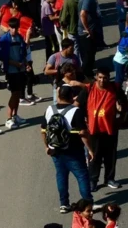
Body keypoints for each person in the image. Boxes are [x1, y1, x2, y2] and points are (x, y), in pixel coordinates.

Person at [42, 84, 93, 214]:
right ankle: (87, 203)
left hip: (55, 150)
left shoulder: (50, 109)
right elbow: (83, 133)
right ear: (71, 96)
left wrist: (46, 146)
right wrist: (90, 149)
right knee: (82, 176)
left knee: (61, 175)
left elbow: (43, 130)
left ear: (59, 95)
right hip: (73, 151)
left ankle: (64, 204)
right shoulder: (76, 111)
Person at [87, 67, 125, 191]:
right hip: (93, 130)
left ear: (109, 78)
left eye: (105, 78)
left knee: (111, 156)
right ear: (96, 78)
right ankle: (93, 180)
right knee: (94, 156)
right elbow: (79, 106)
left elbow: (124, 103)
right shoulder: (89, 89)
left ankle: (109, 178)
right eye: (100, 78)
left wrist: (121, 114)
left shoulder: (115, 88)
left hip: (110, 129)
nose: (102, 80)